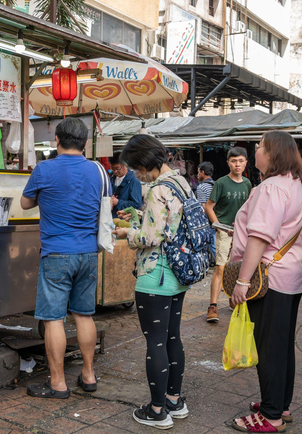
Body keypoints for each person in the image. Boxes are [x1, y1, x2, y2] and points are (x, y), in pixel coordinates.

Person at [227, 131, 302, 433]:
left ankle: (271, 415)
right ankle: (280, 404)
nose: (256, 150)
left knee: (269, 348)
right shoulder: (294, 184)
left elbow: (260, 237)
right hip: (292, 275)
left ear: (272, 153)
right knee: (282, 344)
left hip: (271, 277)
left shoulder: (271, 187)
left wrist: (242, 281)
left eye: (260, 146)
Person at [21, 117, 102, 399]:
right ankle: (88, 375)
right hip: (88, 252)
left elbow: (25, 203)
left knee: (54, 318)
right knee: (84, 314)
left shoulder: (44, 168)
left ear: (56, 140)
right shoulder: (97, 170)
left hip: (56, 252)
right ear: (85, 143)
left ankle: (58, 383)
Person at [114, 134, 191, 430]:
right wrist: (139, 215)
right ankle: (174, 400)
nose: (136, 174)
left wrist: (128, 233)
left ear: (146, 163)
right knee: (173, 337)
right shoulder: (181, 182)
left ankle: (157, 411)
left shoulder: (158, 189)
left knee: (156, 342)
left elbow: (151, 236)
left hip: (155, 274)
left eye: (137, 167)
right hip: (178, 274)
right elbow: (169, 223)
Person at [204, 147, 252, 323]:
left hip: (242, 233)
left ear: (246, 163)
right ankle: (213, 306)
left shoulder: (247, 184)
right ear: (228, 163)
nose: (237, 164)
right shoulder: (221, 183)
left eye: (240, 161)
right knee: (220, 267)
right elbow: (209, 206)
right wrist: (218, 226)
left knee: (240, 268)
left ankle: (234, 300)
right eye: (234, 161)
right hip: (224, 232)